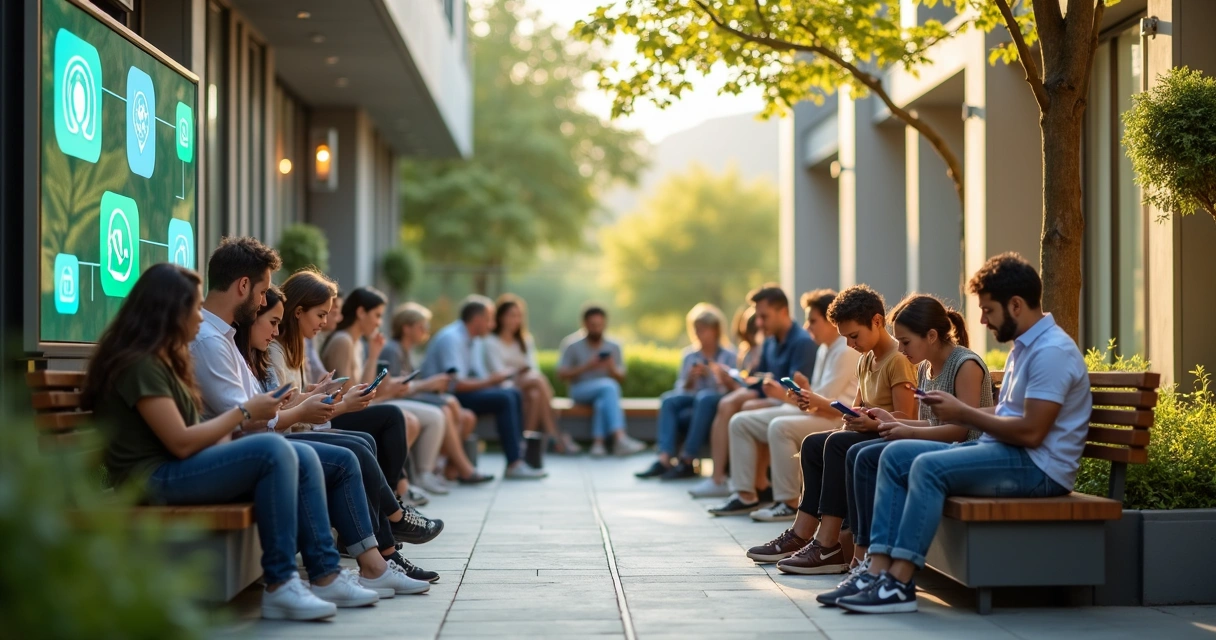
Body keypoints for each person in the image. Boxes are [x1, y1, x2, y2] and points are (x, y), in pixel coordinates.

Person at [84, 263, 349, 621]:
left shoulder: (164, 360)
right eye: (193, 307)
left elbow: (192, 436)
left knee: (297, 452)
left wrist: (244, 421)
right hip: (150, 478)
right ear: (168, 310)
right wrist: (245, 413)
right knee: (274, 450)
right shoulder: (139, 364)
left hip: (175, 468)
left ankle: (325, 574)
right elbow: (179, 442)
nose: (199, 316)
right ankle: (281, 583)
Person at [833, 254, 1090, 614]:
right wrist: (933, 420)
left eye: (988, 310)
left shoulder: (1051, 352)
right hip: (1009, 454)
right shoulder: (1026, 347)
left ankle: (899, 583)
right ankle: (875, 570)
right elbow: (1007, 413)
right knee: (892, 455)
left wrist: (964, 413)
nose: (981, 320)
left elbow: (1032, 432)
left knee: (926, 467)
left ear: (1015, 305)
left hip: (1038, 469)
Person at [189, 238, 431, 600]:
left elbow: (251, 407)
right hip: (241, 447)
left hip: (248, 442)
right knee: (343, 455)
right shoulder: (211, 340)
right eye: (262, 293)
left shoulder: (223, 337)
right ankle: (341, 567)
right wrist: (300, 408)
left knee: (354, 447)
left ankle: (366, 563)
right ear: (243, 286)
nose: (262, 303)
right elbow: (244, 417)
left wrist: (301, 401)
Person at [244, 275, 443, 583]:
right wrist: (330, 402)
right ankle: (392, 526)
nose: (327, 321)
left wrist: (313, 394)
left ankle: (387, 538)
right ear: (300, 312)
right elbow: (278, 414)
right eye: (322, 313)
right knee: (361, 444)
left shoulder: (289, 349)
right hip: (282, 439)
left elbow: (284, 405)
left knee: (364, 440)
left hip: (288, 434)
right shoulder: (281, 350)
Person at [811, 294, 993, 603]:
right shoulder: (925, 368)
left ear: (931, 336)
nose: (902, 349)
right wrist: (893, 423)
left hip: (968, 453)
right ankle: (865, 560)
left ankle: (869, 561)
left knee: (870, 455)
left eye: (906, 342)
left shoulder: (965, 364)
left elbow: (963, 431)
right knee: (859, 453)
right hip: (942, 448)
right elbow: (933, 424)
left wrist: (905, 429)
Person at [748, 285, 918, 569]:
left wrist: (869, 424)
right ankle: (801, 533)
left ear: (877, 321)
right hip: (867, 434)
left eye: (854, 336)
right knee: (814, 443)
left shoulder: (898, 360)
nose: (850, 345)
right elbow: (854, 408)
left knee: (836, 444)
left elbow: (906, 419)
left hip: (890, 439)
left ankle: (826, 544)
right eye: (846, 338)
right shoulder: (866, 360)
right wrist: (850, 418)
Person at [725, 290, 860, 524]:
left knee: (780, 427)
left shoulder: (845, 350)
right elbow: (818, 397)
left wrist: (791, 396)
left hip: (838, 419)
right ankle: (745, 494)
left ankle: (788, 502)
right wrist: (805, 389)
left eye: (813, 320)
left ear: (831, 320)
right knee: (741, 421)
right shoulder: (825, 348)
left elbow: (829, 404)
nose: (808, 326)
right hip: (820, 412)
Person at [690, 286, 818, 499]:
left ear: (783, 312)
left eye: (763, 316)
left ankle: (756, 481)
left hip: (789, 401)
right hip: (770, 395)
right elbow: (762, 378)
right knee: (728, 402)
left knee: (746, 406)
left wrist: (768, 388)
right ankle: (719, 478)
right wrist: (738, 379)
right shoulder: (769, 341)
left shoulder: (802, 343)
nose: (758, 323)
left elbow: (801, 391)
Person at [321, 287, 448, 501]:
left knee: (403, 417)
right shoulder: (342, 340)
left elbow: (363, 387)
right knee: (399, 417)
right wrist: (386, 392)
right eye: (377, 315)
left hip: (350, 407)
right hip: (339, 413)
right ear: (361, 312)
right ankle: (395, 490)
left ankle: (399, 487)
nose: (380, 322)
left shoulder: (357, 343)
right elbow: (349, 394)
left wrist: (374, 357)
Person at [420, 296, 547, 479]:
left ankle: (517, 459)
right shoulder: (452, 339)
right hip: (441, 395)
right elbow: (456, 384)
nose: (492, 324)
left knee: (512, 393)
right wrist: (492, 381)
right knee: (505, 398)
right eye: (490, 319)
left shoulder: (475, 340)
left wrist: (497, 381)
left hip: (458, 394)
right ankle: (515, 462)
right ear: (478, 319)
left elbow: (478, 377)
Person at [385, 302, 493, 485]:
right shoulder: (392, 350)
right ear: (406, 328)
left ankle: (443, 468)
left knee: (467, 416)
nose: (426, 331)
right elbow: (394, 390)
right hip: (398, 400)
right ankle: (450, 469)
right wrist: (428, 384)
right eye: (421, 326)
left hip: (409, 398)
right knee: (448, 406)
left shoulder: (407, 351)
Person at [636, 304, 736, 479]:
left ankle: (688, 459)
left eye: (703, 330)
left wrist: (714, 376)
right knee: (668, 400)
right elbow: (680, 390)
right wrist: (690, 381)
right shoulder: (689, 356)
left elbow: (733, 388)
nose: (698, 334)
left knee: (705, 398)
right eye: (696, 330)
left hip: (716, 402)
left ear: (715, 330)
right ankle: (664, 458)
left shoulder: (730, 356)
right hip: (694, 399)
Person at [484, 294, 580, 455]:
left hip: (527, 386)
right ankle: (555, 434)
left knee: (535, 395)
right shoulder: (490, 342)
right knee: (535, 380)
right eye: (511, 315)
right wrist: (518, 371)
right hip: (504, 386)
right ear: (500, 317)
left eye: (519, 316)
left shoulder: (525, 340)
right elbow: (498, 373)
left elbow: (533, 367)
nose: (516, 320)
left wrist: (521, 372)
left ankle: (524, 443)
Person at [557, 306, 646, 457]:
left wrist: (611, 367)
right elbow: (561, 375)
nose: (597, 329)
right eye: (593, 325)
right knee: (609, 386)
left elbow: (622, 378)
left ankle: (598, 444)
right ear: (584, 324)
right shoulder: (571, 345)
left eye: (600, 325)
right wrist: (587, 366)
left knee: (602, 401)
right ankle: (620, 438)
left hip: (605, 393)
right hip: (579, 391)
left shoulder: (614, 346)